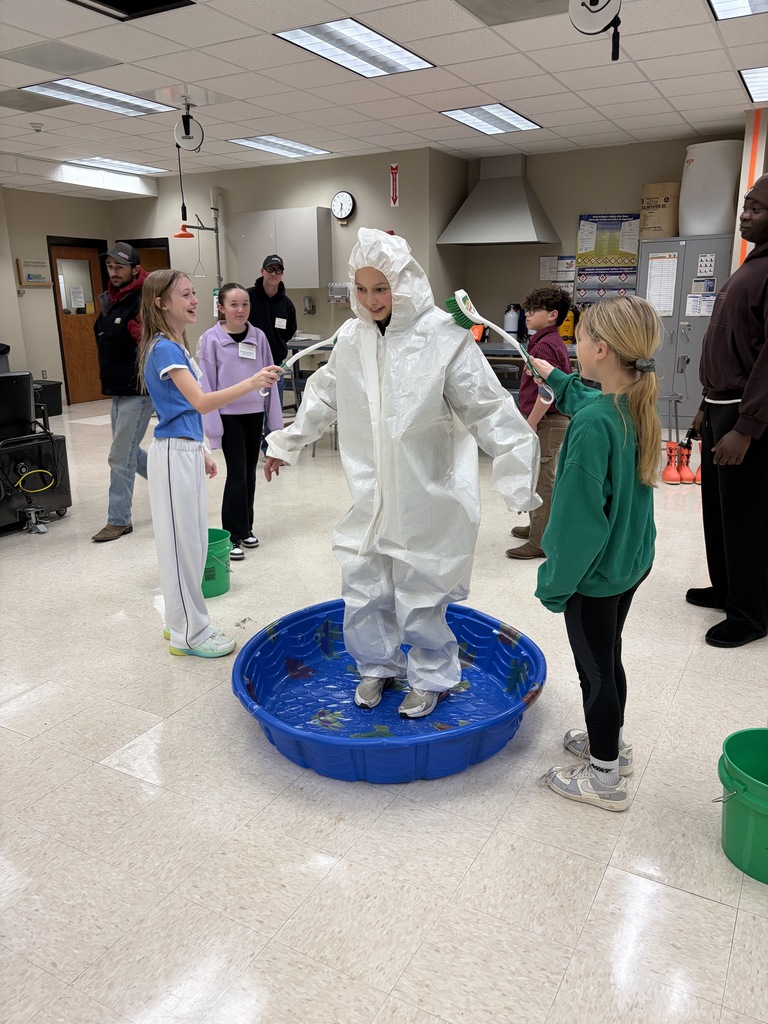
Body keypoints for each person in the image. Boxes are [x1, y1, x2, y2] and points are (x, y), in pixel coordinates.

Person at [264, 228, 540, 718]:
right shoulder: (351, 339)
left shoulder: (442, 336)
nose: (372, 301)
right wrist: (285, 443)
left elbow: (487, 407)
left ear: (405, 283)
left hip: (423, 491)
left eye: (382, 288)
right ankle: (377, 666)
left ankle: (432, 674)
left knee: (419, 592)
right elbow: (323, 395)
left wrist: (516, 470)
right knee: (364, 584)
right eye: (363, 289)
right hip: (369, 494)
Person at [530, 294, 661, 812]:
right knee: (610, 657)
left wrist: (555, 583)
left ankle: (605, 774)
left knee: (595, 671)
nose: (571, 343)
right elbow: (588, 401)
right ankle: (612, 745)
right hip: (631, 562)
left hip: (596, 574)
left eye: (577, 337)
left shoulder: (589, 429)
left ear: (600, 349)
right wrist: (556, 377)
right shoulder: (634, 400)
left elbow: (575, 526)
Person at [136, 270, 281, 659]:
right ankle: (191, 635)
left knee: (194, 544)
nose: (194, 299)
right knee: (183, 547)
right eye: (185, 294)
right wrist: (252, 383)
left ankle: (178, 621)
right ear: (161, 303)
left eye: (194, 292)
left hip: (183, 450)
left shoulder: (176, 345)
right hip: (171, 455)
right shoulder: (164, 349)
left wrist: (198, 448)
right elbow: (200, 402)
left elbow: (181, 409)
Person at [685, 173, 768, 649]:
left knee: (746, 516)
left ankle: (752, 612)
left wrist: (747, 427)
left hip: (746, 413)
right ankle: (727, 588)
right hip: (720, 405)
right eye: (746, 205)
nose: (744, 214)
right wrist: (703, 406)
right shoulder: (751, 265)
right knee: (717, 511)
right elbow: (729, 345)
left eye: (756, 208)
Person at [199, 283, 283, 561]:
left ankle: (246, 528)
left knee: (249, 473)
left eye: (245, 304)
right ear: (221, 308)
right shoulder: (210, 339)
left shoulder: (258, 337)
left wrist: (276, 426)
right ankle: (231, 535)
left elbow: (270, 381)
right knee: (235, 475)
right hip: (227, 416)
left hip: (253, 414)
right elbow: (206, 387)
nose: (241, 310)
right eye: (234, 304)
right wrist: (212, 430)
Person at [507, 286, 573, 560]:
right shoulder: (544, 341)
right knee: (537, 477)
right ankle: (538, 526)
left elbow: (547, 393)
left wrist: (531, 423)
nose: (528, 315)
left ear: (552, 315)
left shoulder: (545, 345)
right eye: (528, 310)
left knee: (543, 482)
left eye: (535, 311)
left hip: (548, 419)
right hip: (546, 419)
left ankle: (540, 542)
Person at [92, 242, 150, 542]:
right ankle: (173, 482)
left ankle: (119, 520)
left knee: (119, 455)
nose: (113, 272)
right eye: (110, 266)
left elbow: (152, 346)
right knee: (128, 452)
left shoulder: (141, 302)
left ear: (134, 269)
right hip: (117, 388)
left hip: (138, 391)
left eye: (120, 267)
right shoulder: (112, 300)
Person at [247, 254, 297, 412]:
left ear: (282, 274)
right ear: (262, 271)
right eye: (270, 269)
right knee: (249, 411)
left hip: (274, 366)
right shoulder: (247, 297)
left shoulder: (287, 305)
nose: (274, 274)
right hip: (248, 364)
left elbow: (289, 331)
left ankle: (270, 438)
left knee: (273, 413)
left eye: (278, 270)